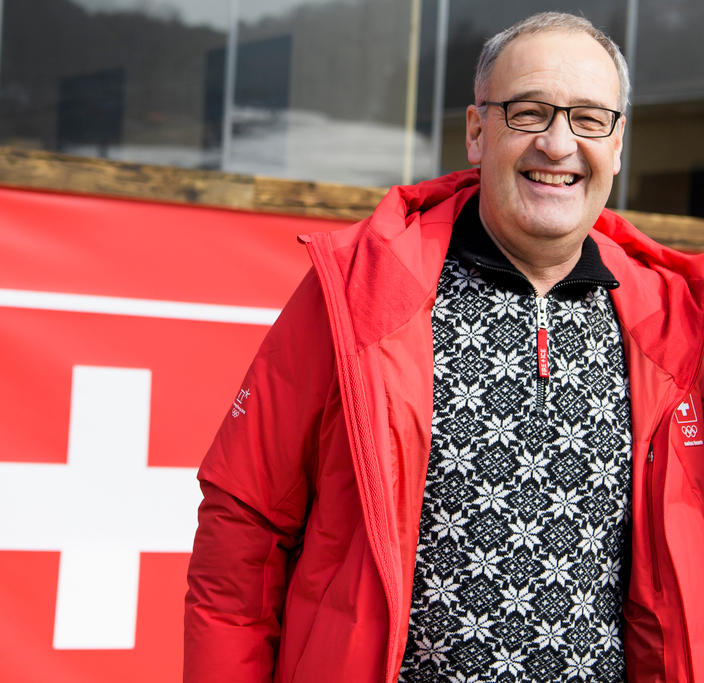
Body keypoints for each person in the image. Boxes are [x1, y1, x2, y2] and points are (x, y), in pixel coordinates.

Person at [184, 11, 704, 683]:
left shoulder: (677, 322)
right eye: (527, 113)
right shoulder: (359, 293)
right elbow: (242, 536)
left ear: (618, 142)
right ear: (477, 132)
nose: (557, 143)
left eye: (588, 119)